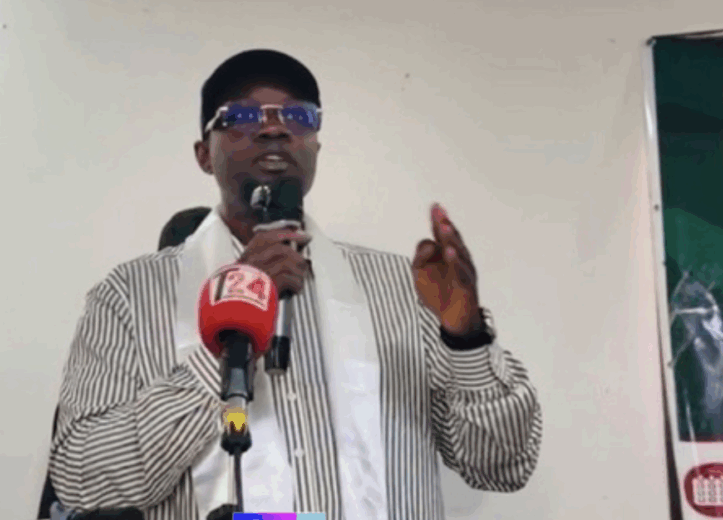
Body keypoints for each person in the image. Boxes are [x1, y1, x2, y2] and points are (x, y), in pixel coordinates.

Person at [49, 49, 543, 520]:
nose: (274, 128)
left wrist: (466, 338)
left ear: (316, 146)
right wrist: (229, 341)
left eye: (299, 116)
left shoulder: (401, 289)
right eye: (243, 116)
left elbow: (502, 466)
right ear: (204, 154)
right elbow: (83, 479)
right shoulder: (131, 296)